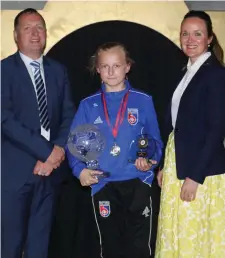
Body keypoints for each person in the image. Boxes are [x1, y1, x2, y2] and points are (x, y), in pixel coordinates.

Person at [67, 42, 163, 258]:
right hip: (103, 184)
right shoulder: (88, 105)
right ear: (98, 69)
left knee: (139, 248)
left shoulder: (143, 100)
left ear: (127, 67)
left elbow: (155, 141)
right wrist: (79, 170)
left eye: (117, 65)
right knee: (110, 248)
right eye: (105, 66)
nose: (111, 71)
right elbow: (74, 144)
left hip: (138, 181)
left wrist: (150, 160)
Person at [1, 8, 74, 258]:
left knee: (39, 248)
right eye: (27, 28)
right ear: (15, 35)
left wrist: (57, 152)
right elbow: (5, 120)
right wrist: (46, 151)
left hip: (50, 174)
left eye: (40, 28)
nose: (35, 33)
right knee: (9, 248)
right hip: (14, 176)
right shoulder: (3, 71)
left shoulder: (58, 71)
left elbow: (68, 115)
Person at [155, 10, 225, 258]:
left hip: (200, 171)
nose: (190, 39)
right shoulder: (184, 72)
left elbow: (216, 129)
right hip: (178, 164)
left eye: (197, 34)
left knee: (194, 238)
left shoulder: (216, 74)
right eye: (185, 33)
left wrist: (195, 177)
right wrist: (165, 165)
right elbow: (176, 126)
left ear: (209, 39)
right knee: (177, 234)